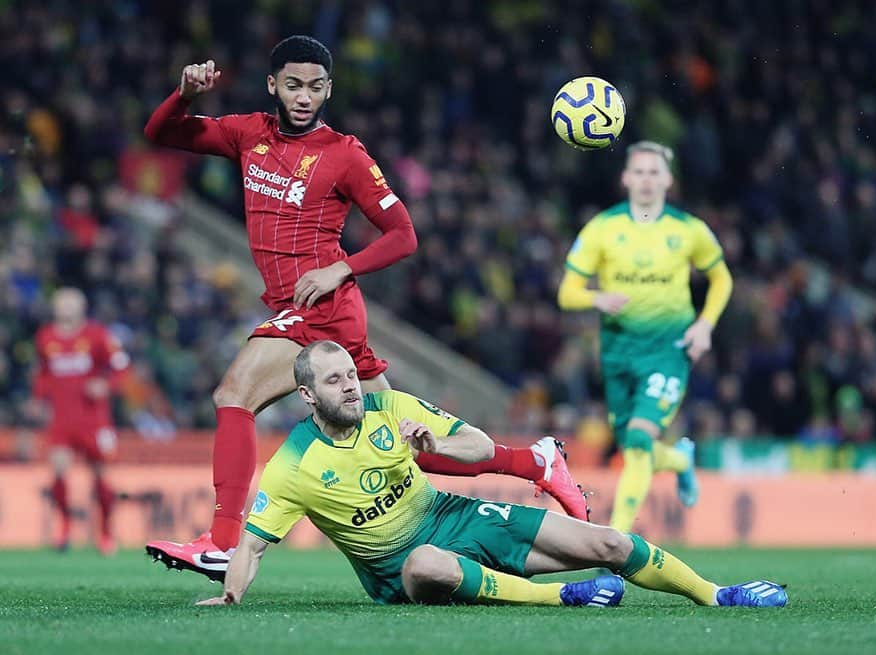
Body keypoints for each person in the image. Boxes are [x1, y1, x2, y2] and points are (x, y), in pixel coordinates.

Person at [143, 36, 587, 578]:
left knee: (234, 394)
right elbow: (160, 132)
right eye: (292, 85)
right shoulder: (247, 134)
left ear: (328, 88)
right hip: (295, 305)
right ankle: (535, 462)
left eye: (314, 86)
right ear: (272, 85)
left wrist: (340, 267)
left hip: (324, 307)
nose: (303, 96)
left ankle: (221, 541)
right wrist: (184, 94)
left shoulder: (344, 154)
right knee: (398, 441)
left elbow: (403, 235)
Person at [193, 341, 785, 610]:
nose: (351, 385)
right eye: (335, 380)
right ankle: (562, 598)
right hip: (401, 571)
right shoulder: (294, 464)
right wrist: (230, 594)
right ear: (306, 395)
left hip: (455, 518)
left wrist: (436, 442)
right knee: (424, 564)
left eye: (351, 373)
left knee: (605, 542)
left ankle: (718, 594)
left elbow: (478, 446)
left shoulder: (389, 409)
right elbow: (253, 544)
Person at [557, 141, 734, 531]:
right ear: (625, 178)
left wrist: (704, 325)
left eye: (654, 172)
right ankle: (679, 460)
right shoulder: (603, 228)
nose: (646, 180)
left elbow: (722, 279)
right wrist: (597, 297)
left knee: (638, 440)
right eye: (639, 171)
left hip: (669, 349)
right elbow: (566, 294)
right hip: (619, 352)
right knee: (633, 446)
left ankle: (615, 542)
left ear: (668, 180)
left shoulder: (689, 230)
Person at [30, 288, 129, 555]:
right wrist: (38, 398)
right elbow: (42, 373)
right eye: (61, 302)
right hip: (62, 419)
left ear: (82, 306)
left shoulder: (97, 335)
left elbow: (121, 367)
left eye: (71, 302)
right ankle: (64, 527)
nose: (66, 307)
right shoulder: (46, 337)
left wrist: (105, 385)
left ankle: (106, 531)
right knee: (59, 472)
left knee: (100, 475)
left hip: (94, 420)